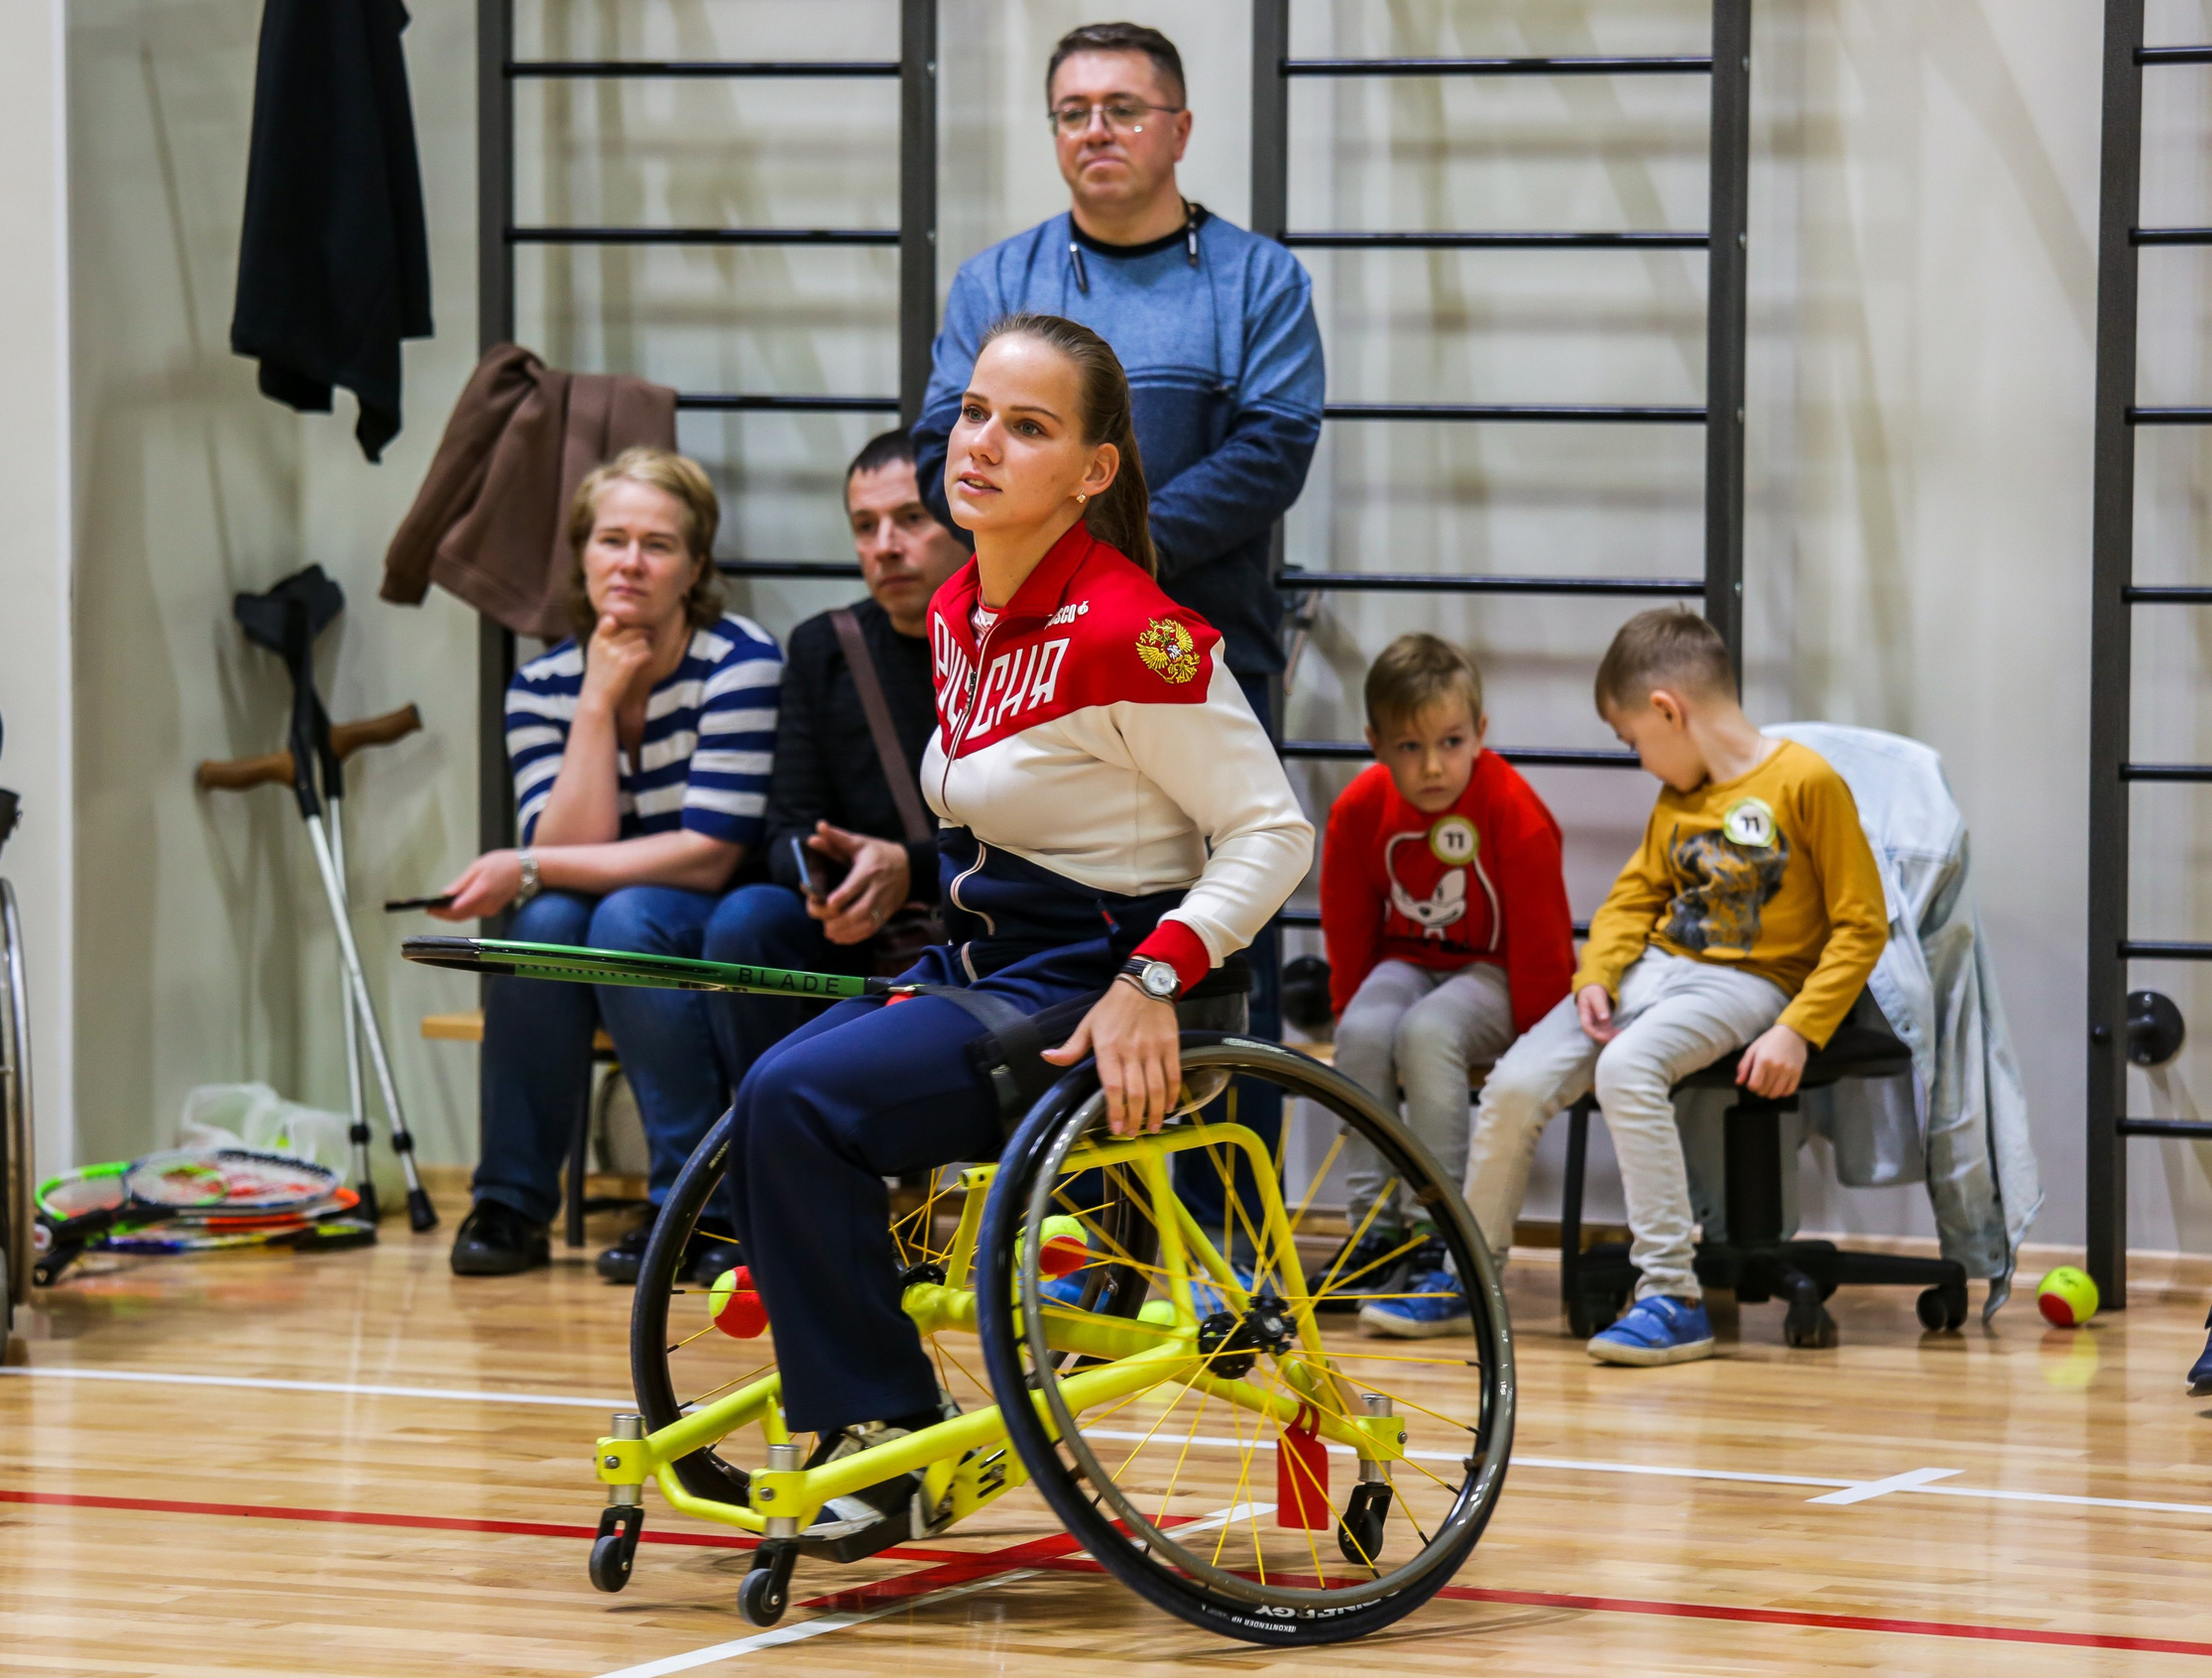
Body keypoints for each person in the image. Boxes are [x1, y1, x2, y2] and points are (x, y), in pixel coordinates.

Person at [724, 312, 1313, 1490]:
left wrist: (1152, 978)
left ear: (1093, 473)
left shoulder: (1138, 637)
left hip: (1099, 974)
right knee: (762, 1090)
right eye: (977, 413)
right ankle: (865, 1379)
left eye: (1027, 427)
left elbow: (1273, 831)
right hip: (983, 959)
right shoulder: (956, 614)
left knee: (798, 1100)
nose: (981, 443)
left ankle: (885, 1438)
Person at [908, 22, 1328, 1229]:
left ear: (1179, 130)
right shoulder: (998, 277)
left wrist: (1114, 567)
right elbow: (951, 430)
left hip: (1196, 646)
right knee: (1049, 948)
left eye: (1124, 109)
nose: (1096, 130)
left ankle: (1233, 1238)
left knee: (1215, 950)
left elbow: (1272, 452)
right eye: (1073, 111)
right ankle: (1090, 1242)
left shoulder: (1256, 279)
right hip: (1035, 657)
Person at [1365, 609, 1888, 1367]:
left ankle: (1671, 1296)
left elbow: (1862, 925)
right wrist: (1597, 976)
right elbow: (1633, 900)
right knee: (1514, 1083)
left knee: (1625, 1068)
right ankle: (1467, 1281)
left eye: (1634, 740)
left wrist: (1799, 1029)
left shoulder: (1807, 782)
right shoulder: (1681, 797)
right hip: (1652, 976)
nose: (1640, 759)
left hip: (1750, 984)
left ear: (1668, 711)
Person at [430, 447, 782, 1279]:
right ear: (581, 553)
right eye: (611, 539)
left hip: (715, 916)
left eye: (658, 545)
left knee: (608, 913)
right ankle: (511, 1205)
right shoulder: (544, 685)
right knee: (545, 922)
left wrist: (527, 866)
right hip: (607, 917)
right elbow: (560, 858)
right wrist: (595, 701)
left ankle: (693, 1206)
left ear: (695, 567)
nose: (630, 563)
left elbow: (708, 853)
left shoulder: (739, 660)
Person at [1314, 634, 1571, 1303]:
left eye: (1450, 743)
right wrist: (1350, 1009)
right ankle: (1375, 1227)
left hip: (1494, 972)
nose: (1432, 766)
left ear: (1480, 733)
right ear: (1375, 742)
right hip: (1408, 962)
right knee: (1367, 1030)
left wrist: (1541, 1040)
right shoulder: (1359, 810)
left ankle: (1438, 1226)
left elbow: (1543, 936)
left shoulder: (1512, 807)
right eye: (1410, 747)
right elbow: (1348, 929)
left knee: (1428, 1032)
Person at [700, 430, 962, 1087]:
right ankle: (766, 1148)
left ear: (962, 517)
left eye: (910, 519)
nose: (885, 547)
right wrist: (829, 886)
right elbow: (787, 825)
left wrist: (908, 866)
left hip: (980, 912)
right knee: (747, 921)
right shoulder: (825, 646)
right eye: (864, 527)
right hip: (860, 922)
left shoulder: (1014, 641)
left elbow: (1040, 832)